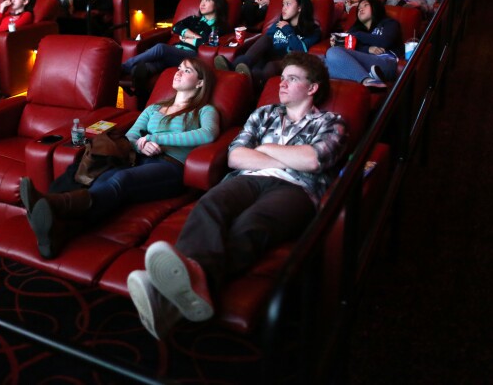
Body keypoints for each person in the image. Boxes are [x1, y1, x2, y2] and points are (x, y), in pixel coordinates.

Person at [127, 52, 347, 339]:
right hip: (248, 179)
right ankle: (187, 290)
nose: (281, 84)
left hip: (297, 188)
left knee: (252, 223)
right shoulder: (264, 113)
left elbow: (314, 160)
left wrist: (264, 150)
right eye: (281, 78)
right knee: (211, 204)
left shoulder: (331, 122)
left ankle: (173, 293)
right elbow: (235, 157)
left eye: (292, 79)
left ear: (312, 88)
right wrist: (285, 158)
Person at [19, 58, 220, 259]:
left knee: (121, 180)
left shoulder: (204, 110)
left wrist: (154, 138)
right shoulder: (153, 109)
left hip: (170, 166)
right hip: (139, 159)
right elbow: (131, 137)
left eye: (186, 70)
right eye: (178, 68)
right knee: (104, 178)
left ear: (200, 83)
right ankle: (59, 230)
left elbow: (208, 133)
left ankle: (53, 204)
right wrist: (141, 144)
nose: (178, 73)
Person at [215, 0, 321, 90]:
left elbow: (301, 50)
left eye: (288, 4)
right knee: (265, 39)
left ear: (300, 7)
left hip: (286, 60)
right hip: (267, 56)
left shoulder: (312, 30)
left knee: (269, 66)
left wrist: (288, 31)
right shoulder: (278, 25)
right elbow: (264, 44)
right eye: (283, 4)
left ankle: (245, 78)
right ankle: (234, 67)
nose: (283, 8)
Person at [122, 0, 226, 84]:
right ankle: (140, 71)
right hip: (176, 51)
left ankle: (124, 67)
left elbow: (205, 43)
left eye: (207, 1)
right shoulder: (194, 19)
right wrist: (194, 36)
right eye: (201, 1)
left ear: (217, 4)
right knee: (156, 62)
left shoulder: (219, 26)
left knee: (161, 48)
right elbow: (176, 27)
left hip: (193, 55)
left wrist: (186, 39)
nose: (202, 4)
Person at [325, 0, 402, 87]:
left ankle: (366, 80)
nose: (360, 9)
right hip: (360, 65)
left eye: (365, 5)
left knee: (333, 52)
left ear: (375, 7)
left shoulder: (389, 23)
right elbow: (347, 49)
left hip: (385, 63)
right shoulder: (356, 30)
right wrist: (367, 49)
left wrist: (357, 35)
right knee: (320, 61)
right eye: (359, 8)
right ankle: (369, 79)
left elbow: (385, 41)